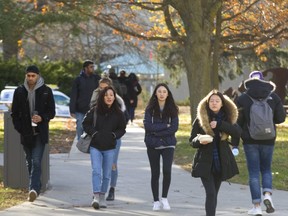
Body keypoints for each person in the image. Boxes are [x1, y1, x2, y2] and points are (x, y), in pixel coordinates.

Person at [235, 71, 286, 215]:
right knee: (266, 169)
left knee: (253, 173)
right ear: (263, 81)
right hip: (269, 139)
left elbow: (238, 121)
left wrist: (235, 142)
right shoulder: (273, 96)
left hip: (250, 140)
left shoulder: (243, 98)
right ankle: (268, 195)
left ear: (249, 81)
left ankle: (257, 207)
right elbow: (281, 118)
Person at [189, 89, 241, 216]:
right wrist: (200, 140)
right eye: (211, 101)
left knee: (214, 194)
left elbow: (237, 133)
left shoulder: (228, 118)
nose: (214, 103)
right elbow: (191, 140)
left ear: (222, 103)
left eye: (217, 101)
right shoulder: (201, 119)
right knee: (210, 193)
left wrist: (220, 124)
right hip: (205, 162)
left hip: (221, 162)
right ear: (207, 103)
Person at [11, 65, 55, 202]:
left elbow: (51, 112)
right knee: (29, 162)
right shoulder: (19, 91)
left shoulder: (46, 91)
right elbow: (15, 113)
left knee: (36, 161)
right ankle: (37, 185)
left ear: (38, 76)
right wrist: (20, 128)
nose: (30, 78)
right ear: (26, 76)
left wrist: (42, 117)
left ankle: (33, 189)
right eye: (28, 76)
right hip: (26, 133)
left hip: (40, 133)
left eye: (33, 76)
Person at [82, 86, 126, 210]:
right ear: (102, 97)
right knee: (96, 171)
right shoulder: (94, 110)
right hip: (95, 146)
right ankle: (95, 196)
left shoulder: (118, 113)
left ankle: (102, 197)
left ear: (114, 97)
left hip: (110, 148)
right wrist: (94, 133)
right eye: (106, 95)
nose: (109, 97)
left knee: (106, 174)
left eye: (111, 95)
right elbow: (85, 124)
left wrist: (114, 135)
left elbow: (122, 129)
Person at [143, 83, 179, 211]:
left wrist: (156, 132)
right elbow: (148, 126)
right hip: (152, 144)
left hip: (168, 143)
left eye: (164, 91)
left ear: (168, 93)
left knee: (167, 171)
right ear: (155, 94)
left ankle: (164, 198)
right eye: (159, 91)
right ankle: (156, 201)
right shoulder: (149, 109)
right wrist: (165, 126)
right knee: (155, 173)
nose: (162, 94)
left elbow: (174, 128)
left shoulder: (173, 109)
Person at [69, 60, 101, 140]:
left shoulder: (96, 79)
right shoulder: (78, 80)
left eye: (93, 67)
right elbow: (73, 95)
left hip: (93, 108)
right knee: (80, 126)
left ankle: (90, 144)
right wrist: (72, 110)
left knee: (92, 127)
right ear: (85, 68)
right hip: (80, 109)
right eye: (91, 67)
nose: (93, 68)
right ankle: (81, 142)